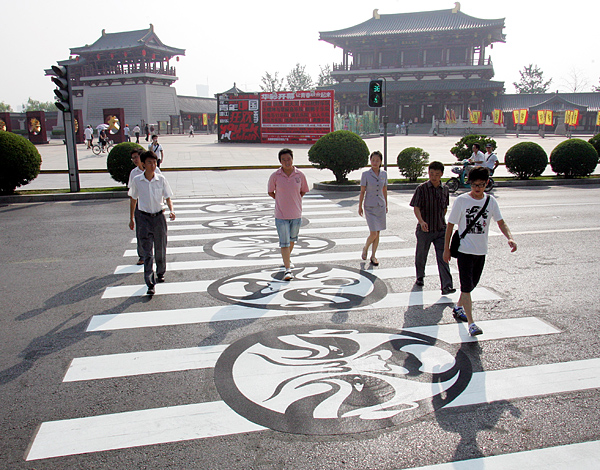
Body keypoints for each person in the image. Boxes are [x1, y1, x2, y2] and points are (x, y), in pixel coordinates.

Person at [443, 166, 517, 336]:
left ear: (487, 183)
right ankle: (471, 323)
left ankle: (458, 307)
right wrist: (446, 249)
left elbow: (501, 222)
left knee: (471, 285)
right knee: (466, 287)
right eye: (474, 185)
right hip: (464, 251)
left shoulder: (491, 201)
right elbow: (450, 226)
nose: (477, 188)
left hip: (481, 251)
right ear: (469, 183)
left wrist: (510, 238)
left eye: (481, 185)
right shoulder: (462, 201)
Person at [128, 150, 176, 296]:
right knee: (148, 252)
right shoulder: (137, 180)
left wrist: (171, 210)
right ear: (143, 164)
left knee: (160, 248)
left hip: (159, 218)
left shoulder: (161, 179)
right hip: (144, 219)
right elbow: (133, 199)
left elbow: (168, 197)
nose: (153, 165)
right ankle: (149, 283)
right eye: (149, 162)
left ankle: (160, 272)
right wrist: (131, 218)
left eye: (155, 162)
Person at [410, 161, 455, 295]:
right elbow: (416, 207)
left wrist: (440, 219)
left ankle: (446, 286)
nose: (433, 177)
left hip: (440, 229)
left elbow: (445, 207)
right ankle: (420, 277)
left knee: (443, 258)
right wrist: (421, 221)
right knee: (421, 255)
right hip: (425, 230)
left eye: (436, 174)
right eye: (431, 174)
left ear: (441, 174)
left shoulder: (445, 189)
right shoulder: (422, 188)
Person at [267, 148, 309, 281]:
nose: (287, 162)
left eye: (289, 159)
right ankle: (288, 269)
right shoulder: (275, 176)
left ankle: (286, 259)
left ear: (292, 159)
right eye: (283, 160)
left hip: (296, 214)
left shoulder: (300, 175)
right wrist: (280, 199)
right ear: (280, 161)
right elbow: (270, 191)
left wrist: (294, 199)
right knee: (284, 243)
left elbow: (303, 190)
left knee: (292, 240)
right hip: (281, 215)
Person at [128, 148, 162, 266]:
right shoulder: (134, 173)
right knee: (141, 232)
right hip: (140, 207)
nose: (135, 160)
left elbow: (161, 186)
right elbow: (132, 195)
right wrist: (131, 217)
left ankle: (157, 257)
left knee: (157, 235)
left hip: (154, 207)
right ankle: (142, 255)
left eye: (136, 157)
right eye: (133, 158)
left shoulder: (156, 170)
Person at [358, 150, 388, 266]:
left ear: (381, 162)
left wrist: (386, 204)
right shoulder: (366, 174)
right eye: (373, 160)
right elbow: (362, 191)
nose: (375, 163)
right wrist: (360, 206)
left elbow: (384, 190)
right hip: (369, 206)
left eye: (377, 161)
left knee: (378, 233)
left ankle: (373, 255)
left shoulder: (384, 174)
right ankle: (365, 247)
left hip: (380, 206)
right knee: (373, 233)